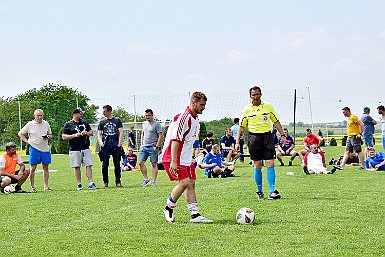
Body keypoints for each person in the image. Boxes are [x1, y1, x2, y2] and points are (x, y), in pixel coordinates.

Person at [161, 91, 213, 223]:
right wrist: (173, 160)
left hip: (186, 158)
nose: (204, 107)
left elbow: (188, 141)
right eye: (201, 104)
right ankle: (169, 207)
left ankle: (195, 215)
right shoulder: (184, 117)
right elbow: (175, 140)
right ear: (193, 103)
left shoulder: (196, 119)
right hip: (174, 156)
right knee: (184, 182)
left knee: (191, 183)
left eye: (205, 104)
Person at [236, 85, 284, 200]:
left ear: (261, 94)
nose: (256, 96)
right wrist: (237, 142)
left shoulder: (268, 107)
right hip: (254, 138)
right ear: (250, 96)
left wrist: (282, 134)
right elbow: (241, 127)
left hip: (267, 136)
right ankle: (260, 191)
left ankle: (272, 192)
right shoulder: (246, 109)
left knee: (270, 163)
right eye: (253, 95)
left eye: (257, 94)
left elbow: (276, 121)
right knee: (257, 165)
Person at [18, 108, 52, 192]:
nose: (40, 117)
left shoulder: (46, 123)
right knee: (32, 168)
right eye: (38, 115)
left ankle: (46, 186)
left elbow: (50, 135)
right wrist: (26, 141)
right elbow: (20, 133)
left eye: (41, 115)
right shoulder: (30, 124)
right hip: (34, 148)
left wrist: (48, 136)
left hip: (45, 149)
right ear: (35, 116)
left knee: (46, 167)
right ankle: (32, 187)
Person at [62, 108, 97, 190]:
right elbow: (64, 136)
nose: (82, 115)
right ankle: (79, 184)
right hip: (74, 148)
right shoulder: (68, 124)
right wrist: (74, 135)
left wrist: (86, 133)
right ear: (76, 114)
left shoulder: (84, 122)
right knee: (76, 166)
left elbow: (91, 132)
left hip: (85, 147)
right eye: (81, 113)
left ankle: (91, 182)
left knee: (89, 165)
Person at [98, 105, 124, 188]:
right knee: (105, 164)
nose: (103, 113)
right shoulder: (102, 122)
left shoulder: (117, 120)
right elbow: (99, 134)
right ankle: (105, 182)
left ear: (109, 111)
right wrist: (100, 142)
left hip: (115, 143)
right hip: (106, 145)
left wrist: (119, 143)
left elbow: (121, 132)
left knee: (117, 164)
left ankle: (118, 181)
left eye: (105, 111)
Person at [138, 109, 164, 187]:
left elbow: (160, 136)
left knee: (154, 164)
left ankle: (153, 181)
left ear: (152, 115)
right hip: (144, 147)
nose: (147, 117)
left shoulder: (157, 124)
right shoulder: (144, 123)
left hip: (153, 147)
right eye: (146, 115)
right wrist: (142, 144)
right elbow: (143, 133)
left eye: (148, 115)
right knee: (140, 162)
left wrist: (157, 146)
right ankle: (146, 179)